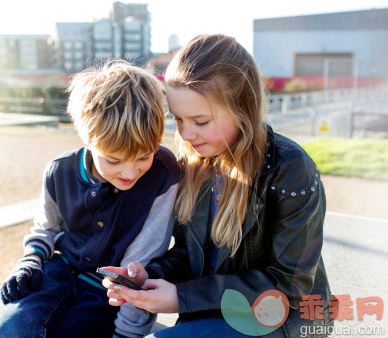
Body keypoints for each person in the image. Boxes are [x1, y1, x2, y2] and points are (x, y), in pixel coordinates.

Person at [102, 34, 333, 337]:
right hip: (212, 310)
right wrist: (150, 277)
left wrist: (182, 298)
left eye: (200, 121)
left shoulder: (290, 169)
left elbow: (289, 285)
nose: (185, 134)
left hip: (283, 317)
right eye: (178, 119)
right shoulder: (194, 163)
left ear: (243, 108)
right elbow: (189, 253)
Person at [0, 61, 180, 338]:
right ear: (88, 139)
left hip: (110, 292)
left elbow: (142, 262)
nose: (130, 172)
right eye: (114, 160)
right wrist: (30, 262)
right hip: (59, 270)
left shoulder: (163, 173)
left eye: (144, 156)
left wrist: (127, 333)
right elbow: (46, 229)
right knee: (14, 327)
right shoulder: (59, 171)